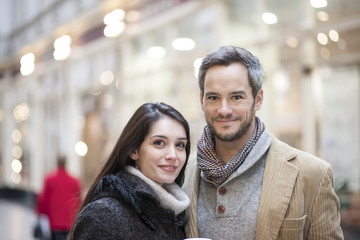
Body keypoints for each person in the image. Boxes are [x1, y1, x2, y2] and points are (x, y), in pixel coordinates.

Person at [182, 45, 344, 240]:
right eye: (214, 98)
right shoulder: (182, 172)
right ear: (202, 101)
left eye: (236, 97)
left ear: (258, 100)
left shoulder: (312, 174)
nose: (223, 110)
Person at [69, 102, 191, 240]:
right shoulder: (104, 215)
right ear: (134, 150)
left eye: (180, 145)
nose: (173, 155)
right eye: (159, 143)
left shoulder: (178, 216)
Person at [37, 156, 82, 240]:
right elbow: (79, 200)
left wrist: (40, 213)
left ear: (57, 163)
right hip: (70, 221)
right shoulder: (74, 181)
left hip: (54, 222)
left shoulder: (49, 179)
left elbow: (43, 200)